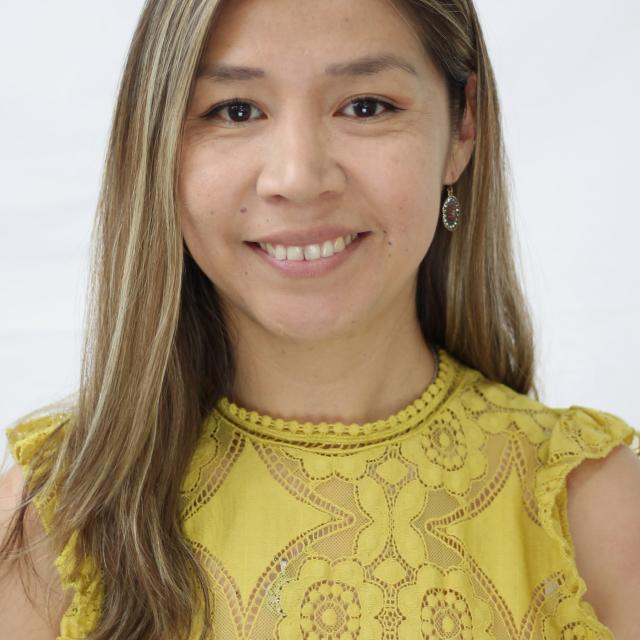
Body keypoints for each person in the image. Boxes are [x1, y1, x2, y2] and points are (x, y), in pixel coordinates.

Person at [1, 0, 639, 638]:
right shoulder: (49, 526)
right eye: (235, 110)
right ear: (157, 142)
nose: (298, 178)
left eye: (366, 106)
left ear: (462, 127)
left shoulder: (600, 516)